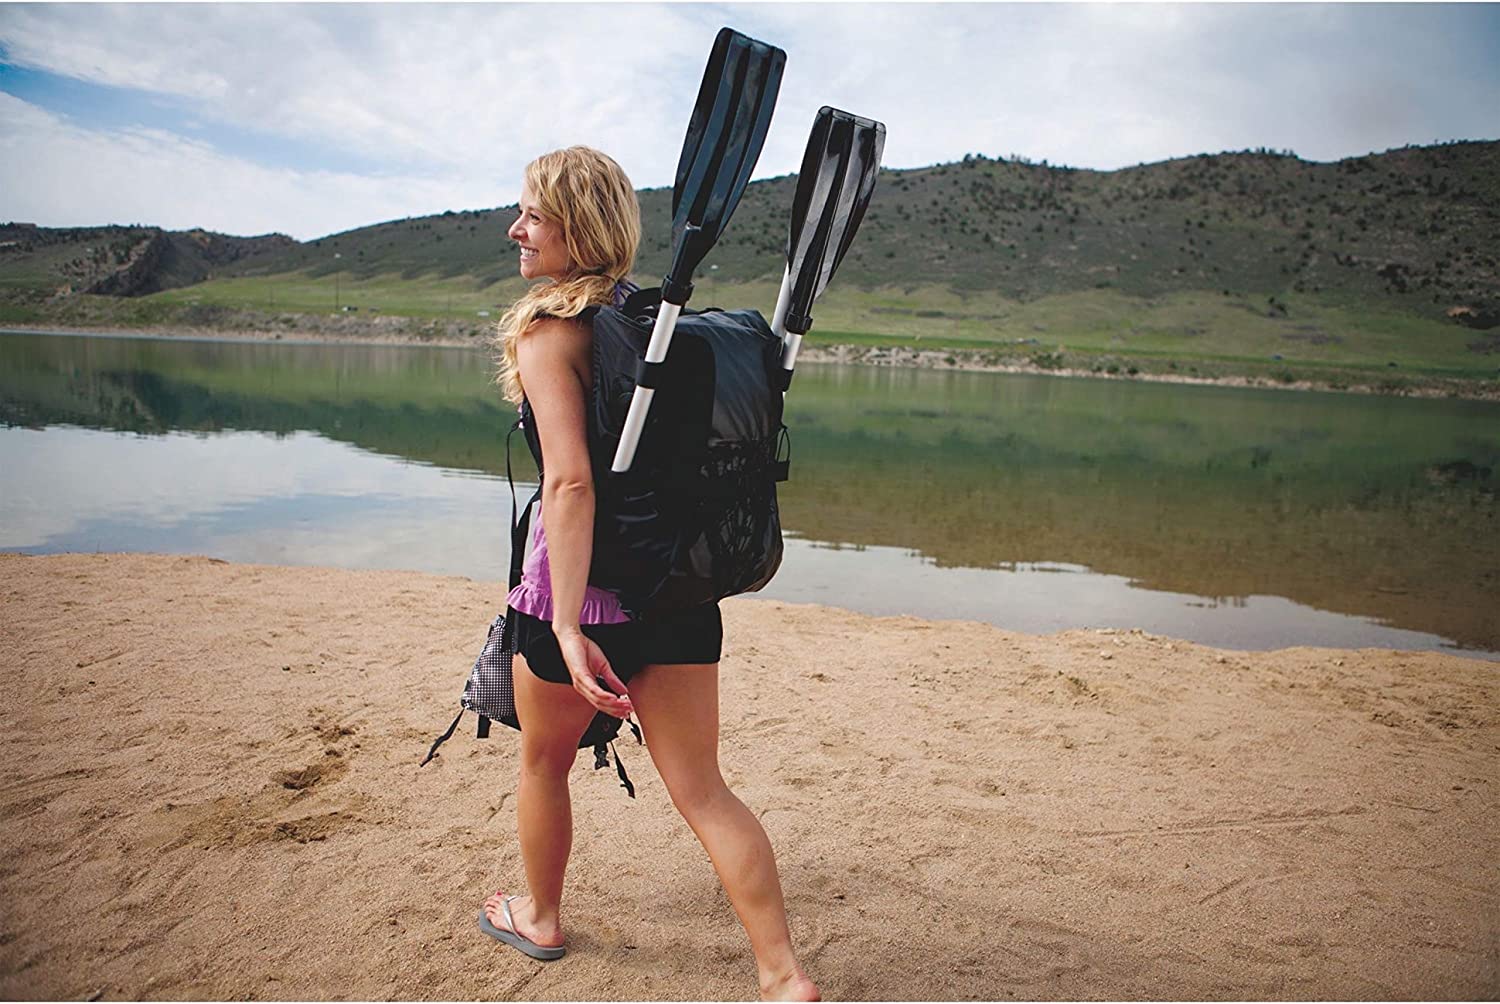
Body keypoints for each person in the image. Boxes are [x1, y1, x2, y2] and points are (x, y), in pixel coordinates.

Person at [480, 146, 820, 1003]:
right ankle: (782, 974)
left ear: (577, 227)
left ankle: (541, 918)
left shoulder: (549, 333)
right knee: (703, 790)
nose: (516, 229)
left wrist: (566, 625)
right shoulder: (654, 329)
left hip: (577, 598)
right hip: (676, 589)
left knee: (543, 765)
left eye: (533, 215)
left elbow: (570, 483)